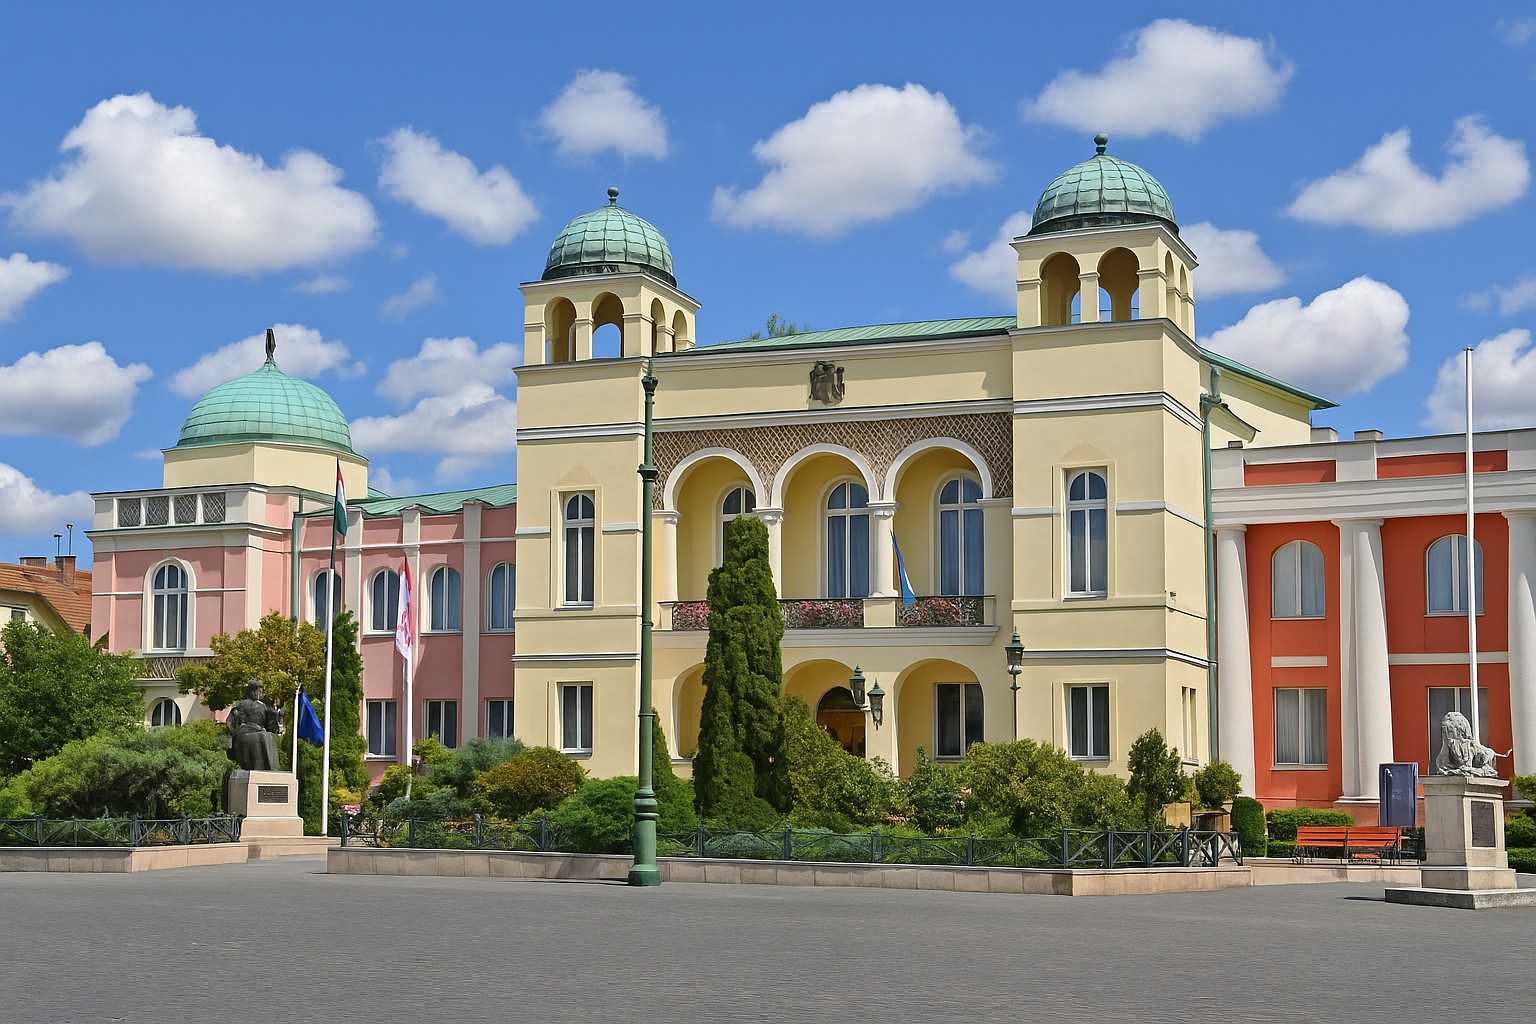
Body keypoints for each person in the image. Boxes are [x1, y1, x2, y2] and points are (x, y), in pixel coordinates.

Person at [226, 680, 281, 771]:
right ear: (251, 691)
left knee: (266, 737)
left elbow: (271, 727)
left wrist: (273, 715)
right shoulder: (240, 705)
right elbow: (231, 724)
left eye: (259, 691)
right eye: (257, 691)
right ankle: (267, 770)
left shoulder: (262, 706)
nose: (259, 693)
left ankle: (268, 772)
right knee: (264, 737)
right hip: (244, 734)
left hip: (251, 733)